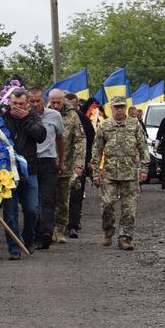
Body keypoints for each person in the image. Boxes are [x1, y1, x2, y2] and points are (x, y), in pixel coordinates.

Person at [92, 95, 149, 250]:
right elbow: (96, 150)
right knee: (108, 205)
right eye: (116, 107)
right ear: (111, 108)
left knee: (129, 208)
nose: (119, 110)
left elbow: (143, 147)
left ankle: (125, 238)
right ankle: (108, 231)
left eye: (122, 107)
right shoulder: (104, 126)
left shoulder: (134, 125)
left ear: (125, 107)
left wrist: (144, 168)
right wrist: (96, 171)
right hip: (109, 173)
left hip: (130, 173)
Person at [2, 88, 47, 259]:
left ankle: (28, 239)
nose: (17, 107)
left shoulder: (33, 117)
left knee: (32, 209)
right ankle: (14, 247)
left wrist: (25, 118)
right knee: (10, 212)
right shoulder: (2, 119)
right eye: (14, 103)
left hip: (30, 171)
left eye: (21, 104)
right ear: (9, 103)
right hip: (7, 173)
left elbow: (41, 136)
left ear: (27, 104)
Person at [28, 86, 64, 249]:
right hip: (31, 161)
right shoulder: (25, 116)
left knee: (48, 198)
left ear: (44, 100)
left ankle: (47, 233)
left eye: (38, 101)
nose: (35, 104)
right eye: (32, 101)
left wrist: (61, 161)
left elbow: (60, 139)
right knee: (33, 201)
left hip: (49, 160)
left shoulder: (54, 116)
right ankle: (35, 232)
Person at [49, 89, 85, 243]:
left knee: (63, 200)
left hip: (66, 165)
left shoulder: (72, 116)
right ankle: (47, 230)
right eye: (53, 102)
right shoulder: (44, 114)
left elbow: (80, 141)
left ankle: (59, 230)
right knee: (48, 199)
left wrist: (79, 164)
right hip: (47, 165)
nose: (56, 105)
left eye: (58, 102)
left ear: (64, 100)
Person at [65, 92, 94, 239]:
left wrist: (87, 161)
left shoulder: (83, 119)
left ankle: (73, 225)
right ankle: (60, 224)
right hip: (61, 164)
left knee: (76, 194)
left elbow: (90, 141)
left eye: (73, 106)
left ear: (77, 105)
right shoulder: (56, 116)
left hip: (78, 163)